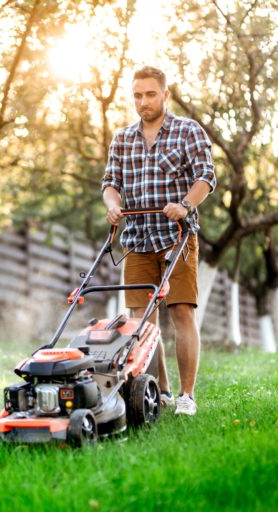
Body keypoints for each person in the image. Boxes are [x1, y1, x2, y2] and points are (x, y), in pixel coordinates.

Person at [101, 66, 216, 416]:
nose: (143, 101)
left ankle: (186, 396)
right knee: (141, 320)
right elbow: (110, 183)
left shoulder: (187, 131)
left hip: (176, 237)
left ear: (165, 95)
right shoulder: (122, 139)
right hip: (137, 238)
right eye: (137, 95)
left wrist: (184, 205)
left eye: (150, 94)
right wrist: (113, 206)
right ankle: (159, 391)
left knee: (181, 312)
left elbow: (206, 177)